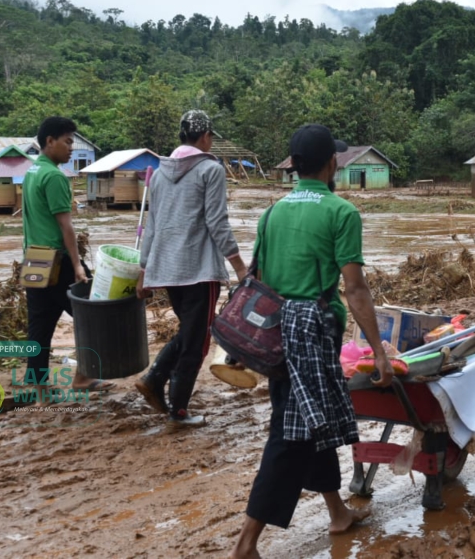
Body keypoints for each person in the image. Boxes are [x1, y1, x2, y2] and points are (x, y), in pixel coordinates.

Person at [230, 124, 394, 559]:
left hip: (277, 331)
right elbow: (355, 289)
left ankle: (338, 513)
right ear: (332, 163)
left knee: (308, 419)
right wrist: (379, 350)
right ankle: (246, 543)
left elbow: (257, 280)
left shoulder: (272, 213)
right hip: (314, 330)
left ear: (294, 166)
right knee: (290, 434)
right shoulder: (341, 212)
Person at [135, 109, 248, 430]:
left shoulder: (158, 173)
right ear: (204, 137)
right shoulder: (210, 169)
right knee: (197, 341)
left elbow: (151, 226)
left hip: (168, 270)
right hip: (198, 270)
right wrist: (239, 266)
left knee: (190, 333)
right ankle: (179, 409)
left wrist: (145, 270)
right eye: (211, 136)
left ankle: (155, 379)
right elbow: (216, 221)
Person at [21, 116, 113, 403]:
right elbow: (66, 227)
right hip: (58, 262)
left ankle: (41, 391)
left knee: (39, 327)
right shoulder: (54, 177)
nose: (72, 148)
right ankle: (83, 377)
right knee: (94, 318)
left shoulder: (32, 171)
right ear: (50, 141)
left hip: (34, 259)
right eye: (68, 141)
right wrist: (77, 266)